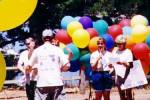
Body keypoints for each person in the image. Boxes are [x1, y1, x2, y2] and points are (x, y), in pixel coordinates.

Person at [26, 29, 71, 100]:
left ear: (42, 38)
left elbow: (28, 67)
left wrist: (29, 72)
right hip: (57, 82)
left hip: (42, 84)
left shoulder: (37, 51)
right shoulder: (58, 50)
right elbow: (67, 65)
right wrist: (61, 69)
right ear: (52, 38)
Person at [112, 35, 134, 100]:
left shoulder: (128, 51)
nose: (119, 45)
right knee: (121, 93)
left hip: (127, 75)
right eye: (117, 43)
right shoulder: (115, 51)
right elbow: (112, 62)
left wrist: (123, 63)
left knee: (128, 93)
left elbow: (130, 65)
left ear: (124, 44)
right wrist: (111, 64)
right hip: (118, 75)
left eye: (120, 43)